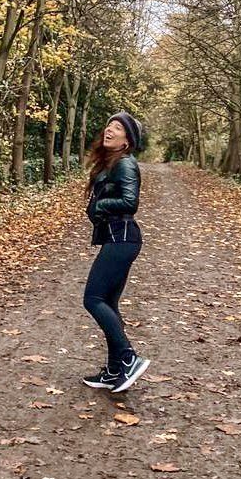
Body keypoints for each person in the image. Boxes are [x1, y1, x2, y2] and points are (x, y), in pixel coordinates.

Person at [81, 110, 150, 393]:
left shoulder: (125, 163)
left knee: (93, 299)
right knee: (107, 303)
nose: (109, 129)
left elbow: (129, 202)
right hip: (117, 238)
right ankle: (113, 371)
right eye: (109, 124)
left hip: (122, 239)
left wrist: (99, 207)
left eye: (118, 127)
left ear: (127, 140)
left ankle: (127, 357)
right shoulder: (111, 163)